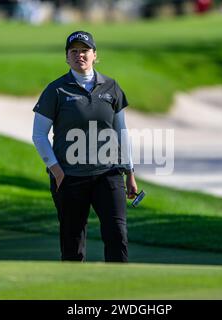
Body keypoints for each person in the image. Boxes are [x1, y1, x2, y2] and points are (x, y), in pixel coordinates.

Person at [32, 31, 137, 263]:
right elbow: (39, 135)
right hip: (69, 177)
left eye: (85, 50)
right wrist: (56, 170)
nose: (80, 55)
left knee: (117, 234)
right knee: (72, 242)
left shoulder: (111, 87)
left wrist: (130, 172)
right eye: (74, 51)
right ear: (67, 57)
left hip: (108, 174)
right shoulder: (56, 90)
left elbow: (122, 131)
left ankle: (120, 289)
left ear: (95, 55)